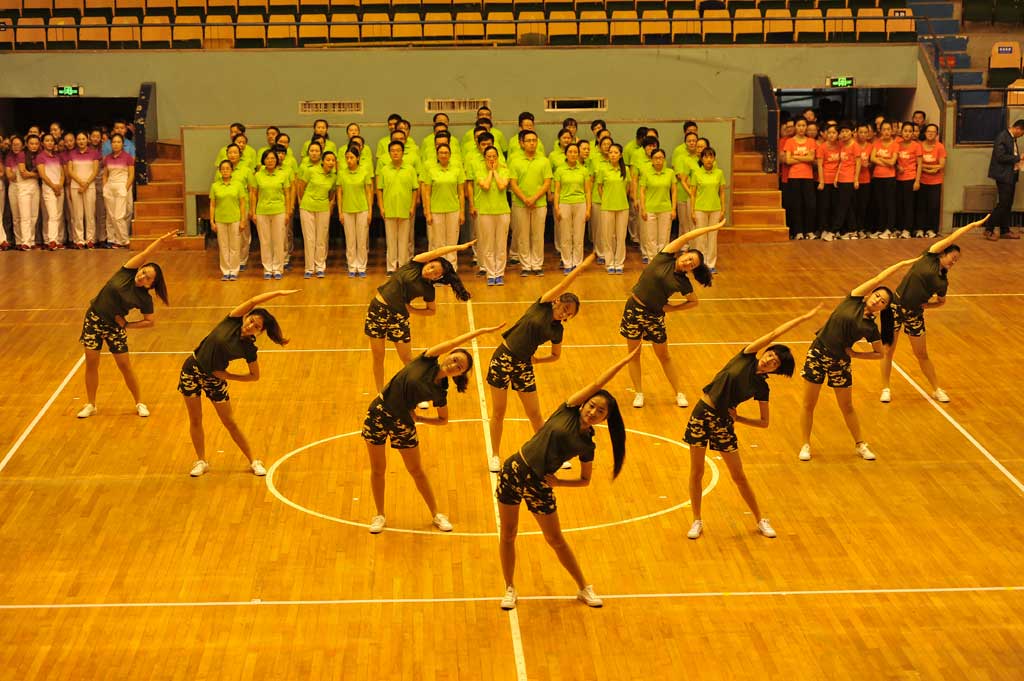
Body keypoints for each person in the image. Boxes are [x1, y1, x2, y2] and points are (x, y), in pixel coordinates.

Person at [496, 349, 636, 611]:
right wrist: (623, 362)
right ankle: (509, 588)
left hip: (540, 484)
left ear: (605, 418)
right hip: (513, 470)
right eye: (591, 405)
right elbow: (597, 383)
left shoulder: (587, 444)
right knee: (508, 533)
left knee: (555, 539)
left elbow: (585, 480)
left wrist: (559, 483)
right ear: (583, 404)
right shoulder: (568, 410)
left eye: (600, 411)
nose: (593, 411)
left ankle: (583, 587)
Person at [687, 306, 820, 540]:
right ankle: (696, 520)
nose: (770, 361)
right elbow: (775, 333)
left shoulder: (762, 387)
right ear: (765, 352)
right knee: (697, 471)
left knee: (738, 475)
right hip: (701, 414)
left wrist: (739, 418)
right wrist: (803, 318)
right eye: (771, 355)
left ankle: (760, 519)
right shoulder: (747, 356)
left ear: (776, 370)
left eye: (775, 363)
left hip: (723, 423)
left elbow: (764, 422)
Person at [364, 323, 505, 534]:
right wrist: (481, 332)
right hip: (378, 413)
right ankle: (379, 515)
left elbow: (443, 419)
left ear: (459, 374)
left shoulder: (440, 392)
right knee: (378, 469)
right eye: (455, 359)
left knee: (416, 470)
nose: (454, 365)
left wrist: (420, 418)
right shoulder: (427, 359)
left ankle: (436, 514)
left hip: (403, 423)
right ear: (448, 355)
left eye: (459, 367)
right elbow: (454, 341)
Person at [798, 257, 918, 462]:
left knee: (847, 407)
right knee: (809, 404)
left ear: (883, 308)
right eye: (877, 295)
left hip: (840, 363)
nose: (877, 300)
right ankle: (805, 445)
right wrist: (901, 264)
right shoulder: (853, 299)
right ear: (870, 294)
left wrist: (856, 355)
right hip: (817, 354)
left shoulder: (871, 328)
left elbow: (880, 353)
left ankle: (860, 444)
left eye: (883, 302)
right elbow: (879, 278)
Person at [486, 254, 594, 472]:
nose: (565, 312)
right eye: (565, 307)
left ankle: (551, 454)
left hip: (524, 366)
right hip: (503, 359)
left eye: (569, 313)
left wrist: (536, 360)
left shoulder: (557, 330)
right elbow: (564, 283)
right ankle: (495, 455)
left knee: (535, 414)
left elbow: (556, 355)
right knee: (499, 411)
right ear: (557, 301)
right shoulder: (542, 305)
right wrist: (581, 267)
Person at [182, 290, 297, 478]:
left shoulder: (249, 348)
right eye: (251, 321)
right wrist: (278, 293)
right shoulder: (232, 320)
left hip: (215, 380)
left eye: (256, 326)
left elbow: (254, 376)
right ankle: (201, 461)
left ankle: (253, 461)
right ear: (246, 317)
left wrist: (227, 375)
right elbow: (253, 300)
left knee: (229, 422)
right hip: (191, 370)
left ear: (259, 332)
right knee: (195, 419)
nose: (251, 326)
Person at [879, 216, 987, 404]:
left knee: (922, 354)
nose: (954, 262)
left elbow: (941, 301)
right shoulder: (929, 256)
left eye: (957, 261)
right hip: (894, 308)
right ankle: (885, 389)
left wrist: (928, 305)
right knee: (888, 350)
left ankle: (936, 389)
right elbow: (952, 237)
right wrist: (973, 225)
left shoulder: (943, 282)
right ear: (943, 253)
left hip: (915, 315)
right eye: (953, 257)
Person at [76, 230, 177, 420]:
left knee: (124, 365)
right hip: (93, 320)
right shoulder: (127, 272)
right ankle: (91, 404)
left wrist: (127, 325)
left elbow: (149, 321)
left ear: (150, 285)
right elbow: (146, 253)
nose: (142, 276)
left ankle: (139, 402)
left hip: (114, 328)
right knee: (91, 363)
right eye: (143, 272)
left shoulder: (144, 299)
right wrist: (161, 240)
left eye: (148, 278)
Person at [622, 223, 721, 408]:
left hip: (654, 316)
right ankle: (639, 393)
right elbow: (686, 236)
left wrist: (672, 308)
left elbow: (694, 302)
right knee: (633, 354)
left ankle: (678, 393)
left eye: (692, 264)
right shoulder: (664, 257)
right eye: (689, 258)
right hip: (633, 309)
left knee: (664, 356)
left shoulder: (682, 282)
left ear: (691, 269)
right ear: (684, 253)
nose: (688, 263)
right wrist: (712, 228)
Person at [365, 243, 473, 392]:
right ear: (429, 261)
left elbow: (431, 311)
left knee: (407, 359)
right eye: (432, 267)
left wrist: (412, 309)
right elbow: (437, 251)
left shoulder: (428, 289)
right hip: (377, 310)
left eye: (436, 274)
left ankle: (419, 390)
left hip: (398, 318)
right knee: (378, 356)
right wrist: (458, 248)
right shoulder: (415, 264)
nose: (431, 272)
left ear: (438, 278)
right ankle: (380, 393)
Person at [508, 130, 553, 276]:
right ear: (522, 143)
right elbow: (513, 183)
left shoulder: (544, 161)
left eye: (534, 140)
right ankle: (526, 266)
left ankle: (537, 264)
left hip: (539, 203)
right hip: (520, 203)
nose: (532, 143)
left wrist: (534, 198)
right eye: (528, 141)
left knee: (538, 235)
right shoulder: (515, 161)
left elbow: (547, 183)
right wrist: (525, 199)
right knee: (522, 235)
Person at [377, 141, 420, 273]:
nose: (395, 153)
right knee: (391, 240)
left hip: (405, 209)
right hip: (389, 209)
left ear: (402, 152)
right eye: (393, 151)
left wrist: (412, 206)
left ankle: (403, 267)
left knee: (404, 240)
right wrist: (381, 207)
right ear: (389, 153)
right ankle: (391, 267)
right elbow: (379, 189)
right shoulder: (384, 170)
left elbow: (414, 189)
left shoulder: (410, 169)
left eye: (398, 150)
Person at [421, 142, 466, 266]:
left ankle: (452, 268)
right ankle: (439, 269)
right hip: (436, 210)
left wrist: (462, 212)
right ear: (437, 155)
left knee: (452, 242)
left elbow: (461, 193)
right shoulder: (431, 170)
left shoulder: (457, 170)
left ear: (450, 154)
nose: (443, 155)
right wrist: (428, 212)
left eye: (446, 153)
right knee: (438, 243)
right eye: (441, 153)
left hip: (454, 210)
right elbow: (427, 193)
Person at [473, 146, 512, 285]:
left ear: (498, 157)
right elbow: (485, 186)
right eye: (488, 157)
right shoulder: (479, 171)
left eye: (494, 156)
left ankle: (499, 273)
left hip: (502, 211)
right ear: (484, 158)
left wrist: (495, 171)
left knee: (501, 244)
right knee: (488, 244)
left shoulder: (505, 170)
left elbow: (502, 186)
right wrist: (490, 172)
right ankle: (490, 274)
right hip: (485, 212)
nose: (491, 159)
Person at [251, 148, 292, 279]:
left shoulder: (283, 174)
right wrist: (253, 212)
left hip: (279, 210)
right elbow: (253, 194)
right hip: (262, 211)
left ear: (277, 160)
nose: (270, 161)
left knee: (279, 240)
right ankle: (268, 269)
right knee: (265, 241)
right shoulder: (258, 175)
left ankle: (278, 268)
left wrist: (287, 212)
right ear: (263, 160)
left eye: (273, 158)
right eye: (267, 158)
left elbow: (287, 194)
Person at [297, 148, 338, 279]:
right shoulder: (311, 171)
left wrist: (329, 204)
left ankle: (320, 267)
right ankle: (309, 268)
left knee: (321, 239)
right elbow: (301, 187)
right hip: (307, 207)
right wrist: (303, 201)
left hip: (323, 208)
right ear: (322, 161)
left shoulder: (334, 177)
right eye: (328, 160)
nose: (330, 162)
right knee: (309, 239)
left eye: (333, 160)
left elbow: (332, 193)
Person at [683, 147, 726, 272]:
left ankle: (711, 264)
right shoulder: (697, 173)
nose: (708, 159)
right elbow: (693, 194)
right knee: (700, 237)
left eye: (711, 156)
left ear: (714, 158)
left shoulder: (719, 173)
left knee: (712, 237)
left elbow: (722, 192)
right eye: (706, 157)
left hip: (715, 208)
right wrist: (692, 211)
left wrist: (723, 208)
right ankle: (700, 263)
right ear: (701, 159)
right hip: (700, 209)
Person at [552, 142, 592, 274]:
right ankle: (567, 263)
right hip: (564, 204)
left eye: (575, 152)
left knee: (578, 236)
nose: (573, 154)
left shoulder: (584, 170)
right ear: (566, 154)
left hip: (580, 204)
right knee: (565, 235)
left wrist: (588, 208)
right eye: (570, 152)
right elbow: (557, 191)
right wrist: (556, 207)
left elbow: (588, 191)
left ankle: (577, 264)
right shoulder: (560, 170)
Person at [336, 144, 374, 277]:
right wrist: (340, 212)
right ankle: (352, 267)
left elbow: (369, 192)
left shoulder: (364, 172)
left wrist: (370, 211)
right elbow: (339, 193)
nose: (349, 160)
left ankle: (362, 267)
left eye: (351, 157)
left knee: (362, 240)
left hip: (362, 209)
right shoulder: (342, 173)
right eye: (347, 158)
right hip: (347, 210)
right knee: (350, 240)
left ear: (357, 158)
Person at [209, 159, 249, 281]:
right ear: (220, 171)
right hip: (220, 219)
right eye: (223, 169)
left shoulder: (238, 185)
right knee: (223, 246)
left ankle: (234, 271)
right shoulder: (215, 186)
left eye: (227, 168)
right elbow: (212, 204)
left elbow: (242, 203)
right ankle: (226, 271)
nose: (225, 171)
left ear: (232, 170)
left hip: (235, 219)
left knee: (235, 246)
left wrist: (243, 220)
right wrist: (212, 221)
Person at [984, 119, 1023, 240]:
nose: (1022, 135)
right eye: (1022, 133)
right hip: (1003, 175)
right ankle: (988, 229)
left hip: (1010, 175)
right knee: (1003, 203)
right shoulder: (1003, 136)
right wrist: (1018, 158)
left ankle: (1004, 230)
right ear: (1018, 129)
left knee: (1008, 204)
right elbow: (1000, 156)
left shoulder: (1011, 138)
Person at [595, 143, 631, 275]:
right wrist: (606, 199)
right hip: (607, 207)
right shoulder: (603, 169)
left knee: (621, 237)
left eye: (616, 152)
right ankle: (609, 263)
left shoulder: (625, 169)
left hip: (623, 207)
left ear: (620, 155)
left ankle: (619, 263)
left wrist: (620, 197)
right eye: (610, 152)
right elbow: (599, 187)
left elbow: (628, 187)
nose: (613, 155)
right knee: (607, 236)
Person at [66, 131, 101, 249]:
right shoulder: (72, 154)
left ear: (88, 140)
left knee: (90, 214)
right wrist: (80, 182)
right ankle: (79, 240)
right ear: (76, 141)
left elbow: (95, 171)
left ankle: (90, 239)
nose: (81, 141)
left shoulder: (94, 153)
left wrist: (86, 184)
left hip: (89, 186)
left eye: (83, 139)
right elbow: (70, 171)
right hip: (76, 186)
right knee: (77, 214)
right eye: (79, 139)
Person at [101, 133, 134, 248]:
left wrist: (125, 188)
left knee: (119, 216)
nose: (116, 144)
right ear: (111, 144)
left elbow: (131, 175)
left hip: (121, 185)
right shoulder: (107, 158)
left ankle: (125, 240)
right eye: (114, 142)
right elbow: (105, 175)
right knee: (111, 216)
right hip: (109, 187)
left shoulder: (128, 157)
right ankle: (114, 240)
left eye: (118, 142)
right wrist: (105, 187)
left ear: (122, 144)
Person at [916, 123, 946, 239]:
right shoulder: (919, 145)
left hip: (935, 181)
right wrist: (930, 168)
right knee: (920, 205)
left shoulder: (940, 147)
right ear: (925, 133)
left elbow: (941, 165)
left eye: (933, 132)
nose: (930, 134)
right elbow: (917, 164)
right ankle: (920, 229)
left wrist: (925, 167)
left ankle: (931, 229)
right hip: (921, 180)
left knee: (933, 206)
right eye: (928, 131)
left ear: (937, 134)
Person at [894, 121, 923, 239]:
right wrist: (897, 166)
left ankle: (907, 229)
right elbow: (894, 160)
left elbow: (919, 165)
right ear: (901, 132)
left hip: (910, 178)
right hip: (898, 179)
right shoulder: (897, 144)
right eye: (905, 131)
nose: (907, 133)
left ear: (913, 133)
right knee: (899, 204)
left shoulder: (916, 146)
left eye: (910, 131)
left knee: (908, 205)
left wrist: (917, 181)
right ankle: (899, 228)